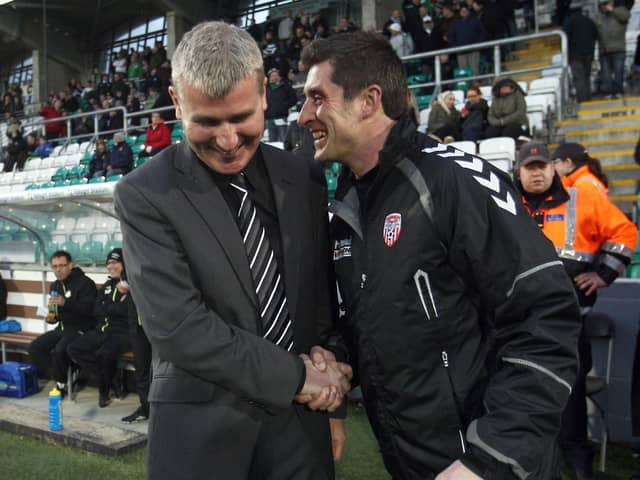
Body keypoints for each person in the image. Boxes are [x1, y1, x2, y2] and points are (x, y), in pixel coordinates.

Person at [298, 30, 581, 479]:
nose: (302, 116)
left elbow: (547, 319)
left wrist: (491, 459)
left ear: (369, 100)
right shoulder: (348, 206)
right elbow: (372, 320)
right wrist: (334, 361)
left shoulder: (454, 181)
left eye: (317, 98)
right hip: (412, 463)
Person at [113, 21, 352, 480]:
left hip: (301, 429)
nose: (227, 140)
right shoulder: (144, 193)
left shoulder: (303, 178)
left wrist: (333, 376)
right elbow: (179, 328)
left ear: (264, 92)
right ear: (177, 101)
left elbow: (322, 301)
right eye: (206, 122)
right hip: (200, 436)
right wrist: (300, 379)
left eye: (241, 118)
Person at [516, 141, 637, 480]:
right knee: (520, 390)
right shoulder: (507, 203)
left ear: (554, 168)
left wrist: (604, 274)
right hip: (517, 322)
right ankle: (531, 454)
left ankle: (575, 453)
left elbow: (625, 232)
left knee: (570, 393)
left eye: (543, 166)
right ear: (518, 171)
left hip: (568, 322)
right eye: (530, 167)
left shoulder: (582, 197)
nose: (537, 172)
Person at [67, 248, 132, 408]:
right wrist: (112, 307)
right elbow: (96, 309)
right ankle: (113, 379)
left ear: (125, 264)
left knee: (105, 353)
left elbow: (124, 311)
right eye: (108, 263)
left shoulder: (132, 285)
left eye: (115, 262)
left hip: (122, 334)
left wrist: (108, 306)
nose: (110, 266)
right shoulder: (107, 286)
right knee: (74, 348)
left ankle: (104, 393)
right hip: (102, 330)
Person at [28, 251, 97, 397]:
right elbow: (55, 312)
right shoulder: (55, 285)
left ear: (70, 265)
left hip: (81, 328)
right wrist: (50, 317)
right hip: (62, 328)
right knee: (35, 347)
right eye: (54, 267)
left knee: (60, 350)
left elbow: (89, 311)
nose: (58, 270)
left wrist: (66, 302)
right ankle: (62, 376)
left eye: (62, 266)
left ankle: (62, 383)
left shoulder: (85, 283)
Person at [119, 275, 151, 423]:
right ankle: (145, 407)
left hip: (157, 322)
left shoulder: (159, 256)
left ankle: (164, 408)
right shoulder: (130, 258)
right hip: (137, 326)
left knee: (163, 368)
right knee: (141, 368)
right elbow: (125, 281)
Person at [594, 0, 630, 98]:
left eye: (607, 2)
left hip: (618, 48)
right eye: (603, 3)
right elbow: (595, 28)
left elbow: (626, 16)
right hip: (604, 50)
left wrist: (613, 10)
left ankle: (619, 91)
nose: (605, 5)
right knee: (606, 74)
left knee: (619, 72)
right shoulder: (599, 15)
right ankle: (608, 92)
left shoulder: (620, 10)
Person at [562, 4, 598, 102]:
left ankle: (583, 99)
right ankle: (588, 97)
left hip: (574, 55)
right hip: (589, 53)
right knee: (587, 76)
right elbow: (595, 34)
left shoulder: (568, 22)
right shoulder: (589, 21)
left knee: (579, 77)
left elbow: (564, 38)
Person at [264, 68, 298, 142]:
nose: (274, 77)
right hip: (269, 119)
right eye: (272, 76)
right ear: (269, 77)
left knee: (284, 140)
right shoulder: (265, 88)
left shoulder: (286, 86)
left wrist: (284, 106)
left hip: (281, 117)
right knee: (272, 142)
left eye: (276, 75)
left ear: (280, 77)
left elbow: (294, 99)